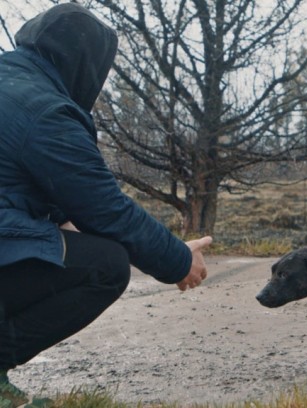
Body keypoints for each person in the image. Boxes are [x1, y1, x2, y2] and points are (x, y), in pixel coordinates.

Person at [0, 4, 212, 407]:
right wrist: (177, 260)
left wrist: (61, 220)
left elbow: (24, 181)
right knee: (106, 265)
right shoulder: (45, 112)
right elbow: (106, 209)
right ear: (83, 65)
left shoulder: (10, 82)